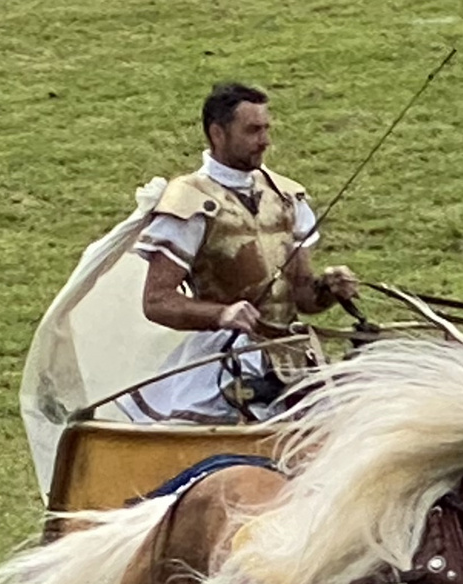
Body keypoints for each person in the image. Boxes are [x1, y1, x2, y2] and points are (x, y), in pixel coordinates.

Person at [122, 82, 359, 422]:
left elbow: (303, 297)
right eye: (252, 131)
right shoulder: (191, 202)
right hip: (224, 362)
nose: (265, 141)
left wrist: (330, 289)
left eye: (266, 129)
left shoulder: (285, 196)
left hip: (293, 360)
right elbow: (156, 301)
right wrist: (221, 314)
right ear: (217, 133)